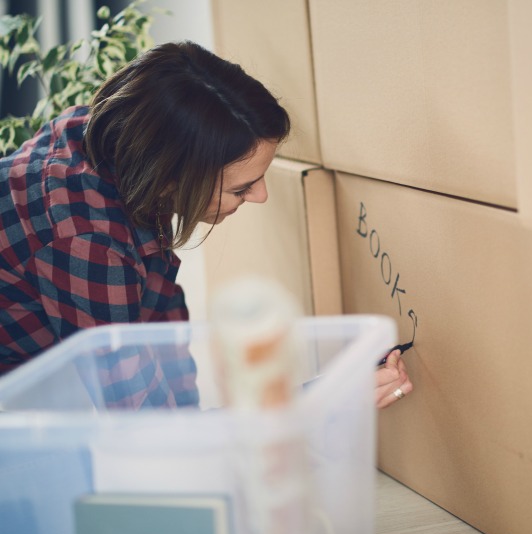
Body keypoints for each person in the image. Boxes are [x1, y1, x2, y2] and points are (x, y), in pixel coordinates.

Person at [0, 40, 412, 407]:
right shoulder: (85, 240)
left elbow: (159, 320)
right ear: (170, 177)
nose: (261, 196)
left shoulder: (115, 143)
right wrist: (325, 398)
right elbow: (149, 432)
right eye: (241, 187)